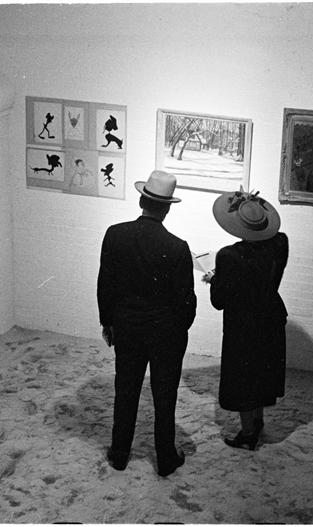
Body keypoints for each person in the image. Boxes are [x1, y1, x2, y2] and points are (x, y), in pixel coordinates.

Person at [97, 170, 196, 477]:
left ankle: (119, 453)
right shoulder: (178, 247)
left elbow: (105, 285)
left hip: (127, 327)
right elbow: (186, 301)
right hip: (165, 332)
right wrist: (179, 330)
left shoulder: (115, 234)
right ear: (167, 209)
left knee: (125, 389)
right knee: (165, 396)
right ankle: (165, 457)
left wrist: (108, 321)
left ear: (142, 201)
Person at [203, 188, 289, 451]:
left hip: (243, 323)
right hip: (271, 316)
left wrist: (214, 279)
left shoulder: (228, 255)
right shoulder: (280, 243)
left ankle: (248, 432)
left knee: (243, 376)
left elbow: (219, 301)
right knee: (261, 371)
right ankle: (258, 421)